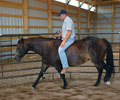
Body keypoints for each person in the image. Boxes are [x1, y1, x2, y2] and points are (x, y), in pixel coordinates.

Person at [54, 9, 76, 74]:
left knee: (60, 50)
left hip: (70, 39)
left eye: (60, 15)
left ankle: (65, 66)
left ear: (64, 14)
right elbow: (64, 31)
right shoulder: (65, 21)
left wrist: (63, 42)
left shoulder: (68, 21)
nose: (59, 17)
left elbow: (69, 32)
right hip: (66, 38)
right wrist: (58, 35)